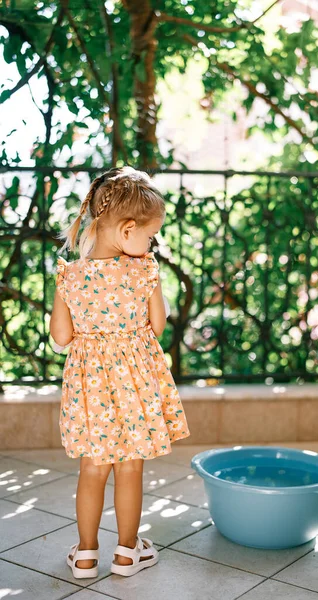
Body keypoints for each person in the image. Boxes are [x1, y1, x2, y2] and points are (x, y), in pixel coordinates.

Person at [50, 166, 190, 579]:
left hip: (88, 387)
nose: (151, 244)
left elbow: (60, 335)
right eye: (150, 235)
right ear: (128, 230)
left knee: (92, 469)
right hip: (136, 383)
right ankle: (127, 553)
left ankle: (87, 554)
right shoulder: (143, 270)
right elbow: (158, 326)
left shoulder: (69, 275)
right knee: (130, 467)